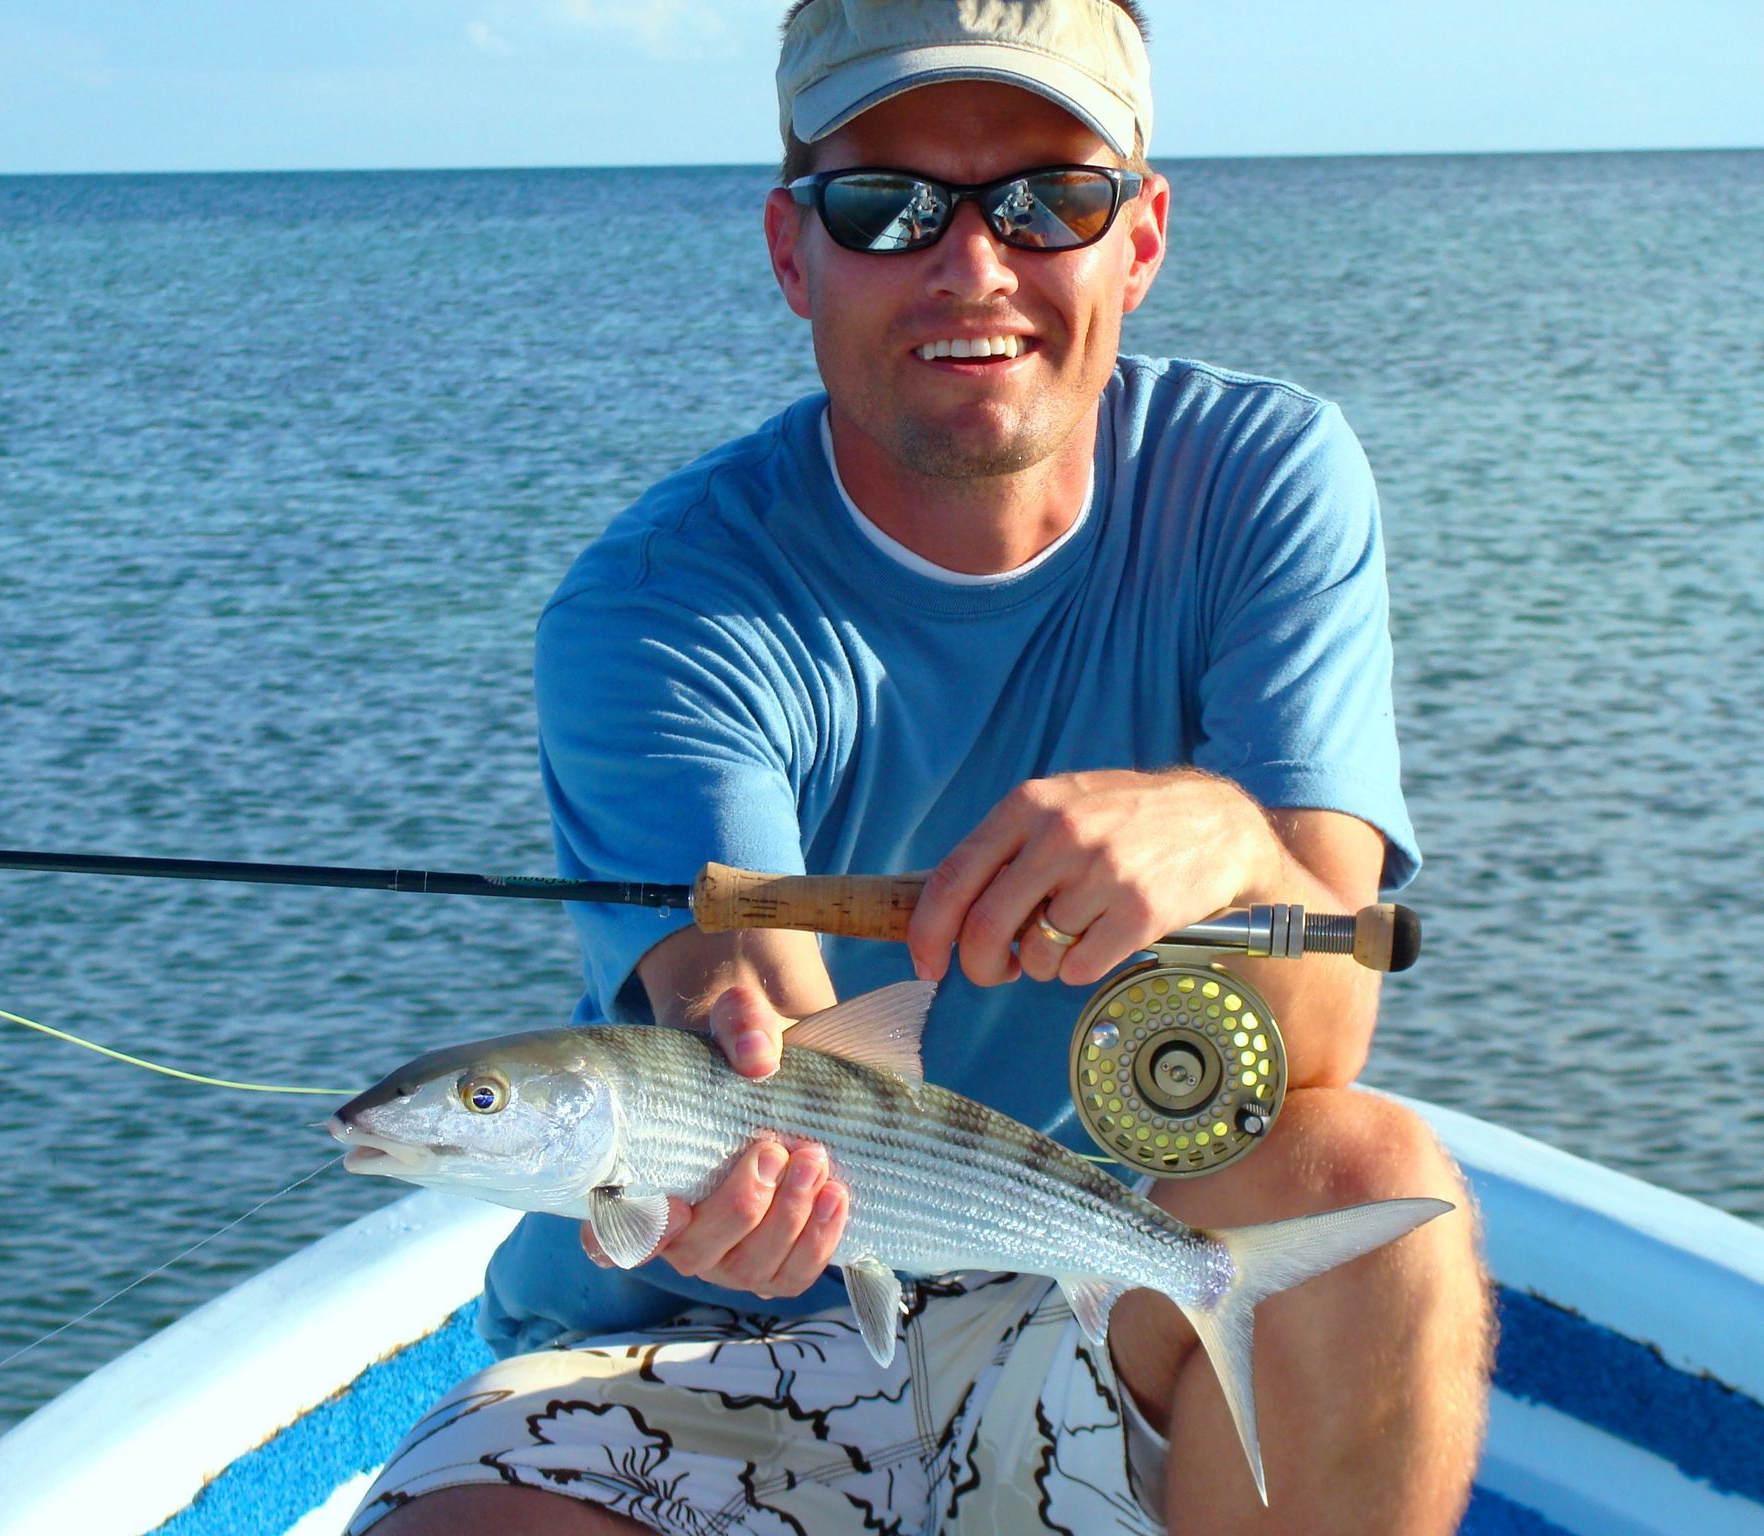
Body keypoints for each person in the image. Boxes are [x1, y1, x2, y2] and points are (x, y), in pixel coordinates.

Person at [351, 2, 1491, 1532]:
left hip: (1082, 1281)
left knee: (1364, 1184)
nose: (974, 268)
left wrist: (1224, 838)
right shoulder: (663, 609)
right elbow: (772, 1033)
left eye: (1048, 199)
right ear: (790, 252)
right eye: (885, 206)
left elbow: (1322, 1041)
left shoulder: (1262, 482)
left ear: (1140, 238)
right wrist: (760, 1141)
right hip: (684, 1342)